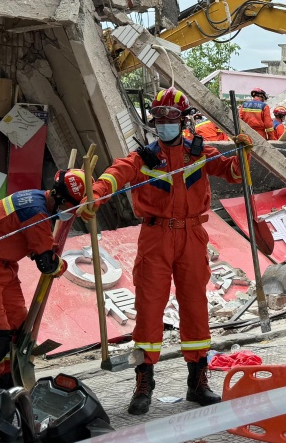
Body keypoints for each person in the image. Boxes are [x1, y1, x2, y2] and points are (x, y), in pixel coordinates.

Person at [90, 87, 248, 414]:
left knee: (195, 306)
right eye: (159, 118)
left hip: (192, 236)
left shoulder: (200, 153)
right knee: (148, 308)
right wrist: (95, 193)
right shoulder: (143, 158)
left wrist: (244, 153)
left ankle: (197, 381)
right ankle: (143, 382)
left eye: (171, 117)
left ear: (184, 119)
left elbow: (234, 173)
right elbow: (115, 174)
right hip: (155, 237)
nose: (164, 123)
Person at [0, 169, 88, 393]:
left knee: (18, 332)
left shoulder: (36, 200)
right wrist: (61, 265)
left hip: (4, 267)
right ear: (60, 198)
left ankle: (9, 387)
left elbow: (31, 243)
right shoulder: (35, 213)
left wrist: (45, 250)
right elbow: (47, 264)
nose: (71, 214)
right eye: (71, 208)